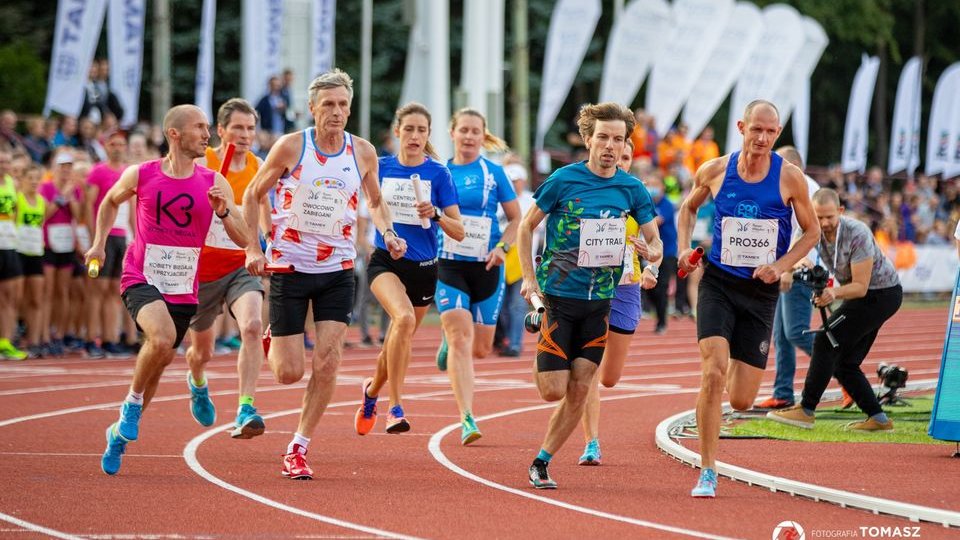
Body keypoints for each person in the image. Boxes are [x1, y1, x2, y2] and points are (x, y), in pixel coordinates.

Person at [243, 69, 405, 480]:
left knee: (329, 362)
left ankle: (298, 447)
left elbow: (375, 200)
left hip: (337, 269)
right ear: (313, 107)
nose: (336, 112)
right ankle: (273, 339)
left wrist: (388, 231)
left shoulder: (362, 152)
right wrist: (254, 244)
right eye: (328, 104)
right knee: (288, 373)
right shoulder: (290, 147)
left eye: (343, 105)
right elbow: (252, 193)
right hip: (290, 267)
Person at [91, 104, 249, 475]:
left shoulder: (213, 181)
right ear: (174, 134)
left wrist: (225, 212)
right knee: (161, 340)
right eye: (200, 127)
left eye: (208, 127)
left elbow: (244, 238)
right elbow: (109, 202)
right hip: (141, 275)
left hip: (183, 286)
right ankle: (129, 406)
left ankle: (117, 434)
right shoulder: (142, 174)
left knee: (159, 362)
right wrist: (98, 243)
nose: (207, 135)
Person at [677, 100, 819, 498]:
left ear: (778, 134)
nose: (762, 138)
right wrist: (684, 250)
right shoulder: (716, 170)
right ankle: (708, 469)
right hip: (719, 282)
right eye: (756, 129)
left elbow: (811, 234)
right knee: (712, 371)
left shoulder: (790, 178)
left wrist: (781, 265)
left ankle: (717, 400)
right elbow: (687, 209)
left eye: (771, 132)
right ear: (741, 127)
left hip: (760, 292)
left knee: (740, 400)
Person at [518, 102, 660, 489]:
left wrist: (653, 257)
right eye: (603, 137)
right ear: (588, 139)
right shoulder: (564, 180)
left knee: (581, 387)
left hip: (600, 304)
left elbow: (655, 239)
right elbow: (526, 227)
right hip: (559, 299)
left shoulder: (631, 189)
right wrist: (529, 279)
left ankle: (542, 462)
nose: (610, 146)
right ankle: (544, 350)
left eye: (618, 139)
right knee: (553, 391)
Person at [355, 102, 463, 436]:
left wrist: (436, 215)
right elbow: (371, 207)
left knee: (397, 341)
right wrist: (384, 235)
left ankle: (372, 390)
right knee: (401, 320)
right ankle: (395, 407)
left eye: (422, 130)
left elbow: (459, 230)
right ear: (397, 131)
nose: (415, 136)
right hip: (387, 261)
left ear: (428, 135)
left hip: (424, 267)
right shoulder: (381, 168)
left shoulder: (438, 174)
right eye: (409, 129)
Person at [767, 188, 902, 431]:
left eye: (829, 217)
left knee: (825, 340)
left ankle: (807, 409)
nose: (824, 223)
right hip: (867, 295)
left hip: (881, 294)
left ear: (840, 211)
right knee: (844, 362)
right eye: (818, 217)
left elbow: (860, 288)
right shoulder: (810, 229)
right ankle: (878, 419)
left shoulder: (857, 232)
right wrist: (796, 264)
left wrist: (832, 293)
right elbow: (792, 255)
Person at [184, 98, 270, 439]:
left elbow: (263, 209)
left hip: (240, 265)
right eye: (237, 128)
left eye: (250, 128)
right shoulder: (203, 161)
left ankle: (246, 405)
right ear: (221, 131)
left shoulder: (257, 165)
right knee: (200, 352)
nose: (245, 134)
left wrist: (266, 243)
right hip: (201, 270)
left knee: (251, 326)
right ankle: (198, 381)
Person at [435, 108, 521, 445]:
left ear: (483, 137)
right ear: (452, 133)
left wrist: (503, 248)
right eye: (464, 130)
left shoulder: (493, 173)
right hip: (450, 263)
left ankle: (449, 338)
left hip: (487, 265)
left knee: (482, 349)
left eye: (475, 131)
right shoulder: (440, 172)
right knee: (460, 338)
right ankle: (466, 417)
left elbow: (516, 219)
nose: (469, 137)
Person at [577, 137, 660, 466]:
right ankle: (591, 442)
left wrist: (651, 265)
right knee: (590, 369)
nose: (621, 160)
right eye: (618, 155)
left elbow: (657, 243)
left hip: (626, 286)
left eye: (627, 156)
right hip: (592, 286)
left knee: (610, 377)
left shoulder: (637, 194)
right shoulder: (588, 189)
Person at [757, 146, 823, 409]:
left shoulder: (804, 186)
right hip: (783, 266)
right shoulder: (785, 182)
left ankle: (843, 371)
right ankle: (783, 391)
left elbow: (807, 232)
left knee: (796, 332)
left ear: (792, 164)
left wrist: (787, 267)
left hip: (801, 268)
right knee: (781, 335)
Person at [84, 130, 132, 358]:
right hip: (103, 237)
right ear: (105, 147)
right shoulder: (98, 172)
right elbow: (88, 205)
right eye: (113, 144)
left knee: (115, 291)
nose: (117, 148)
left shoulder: (128, 173)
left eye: (121, 144)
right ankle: (92, 338)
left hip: (122, 236)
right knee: (97, 291)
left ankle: (110, 338)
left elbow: (132, 208)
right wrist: (94, 238)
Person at [15, 164, 47, 358]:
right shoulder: (17, 199)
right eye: (31, 178)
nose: (34, 182)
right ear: (23, 179)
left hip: (35, 252)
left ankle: (34, 341)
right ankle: (15, 336)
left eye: (37, 178)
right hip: (18, 251)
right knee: (17, 299)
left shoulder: (42, 201)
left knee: (36, 299)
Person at [0, 149, 26, 360]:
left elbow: (15, 212)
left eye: (7, 161)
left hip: (9, 245)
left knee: (10, 296)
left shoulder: (12, 183)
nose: (4, 165)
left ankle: (6, 341)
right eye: (1, 161)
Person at [643, 171, 677, 334]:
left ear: (662, 187)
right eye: (648, 185)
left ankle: (662, 322)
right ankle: (655, 313)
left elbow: (657, 221)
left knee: (661, 287)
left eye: (655, 185)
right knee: (646, 288)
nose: (652, 188)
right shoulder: (645, 202)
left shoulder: (667, 204)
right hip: (646, 252)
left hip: (666, 252)